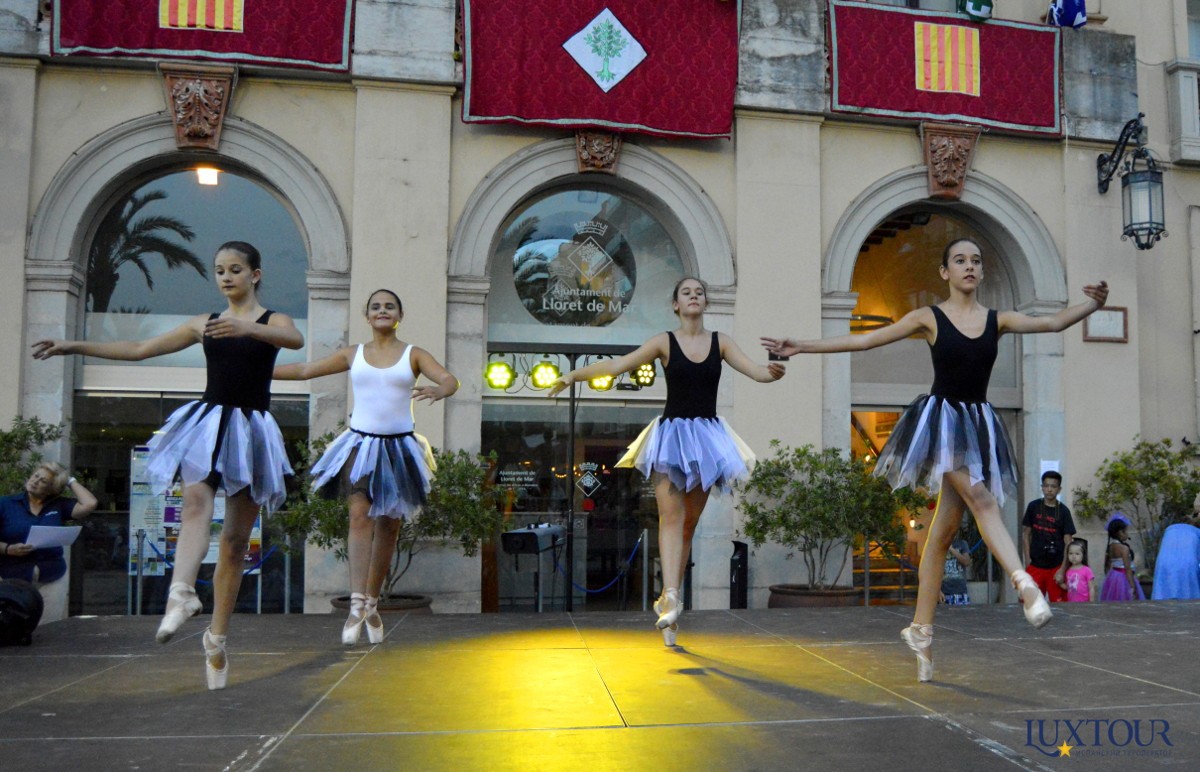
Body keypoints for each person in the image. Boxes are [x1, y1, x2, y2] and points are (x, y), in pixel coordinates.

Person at [763, 237, 1109, 683]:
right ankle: (1023, 584)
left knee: (942, 535)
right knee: (983, 500)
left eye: (976, 260)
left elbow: (1054, 322)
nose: (969, 266)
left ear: (981, 271)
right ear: (945, 272)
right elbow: (866, 340)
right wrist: (802, 346)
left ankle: (921, 630)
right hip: (943, 424)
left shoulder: (997, 320)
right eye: (960, 260)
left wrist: (1093, 305)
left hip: (978, 423)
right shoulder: (929, 317)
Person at [32, 241, 303, 689]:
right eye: (219, 270)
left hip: (251, 433)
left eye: (235, 269)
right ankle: (181, 593)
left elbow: (295, 340)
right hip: (208, 424)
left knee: (235, 543)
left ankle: (216, 638)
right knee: (195, 503)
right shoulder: (203, 323)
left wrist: (246, 329)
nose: (226, 277)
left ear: (255, 274)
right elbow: (140, 348)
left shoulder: (273, 320)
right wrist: (71, 345)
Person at [548, 277, 784, 646]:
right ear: (676, 304)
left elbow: (757, 372)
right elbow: (619, 366)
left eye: (699, 292)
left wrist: (774, 369)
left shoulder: (721, 342)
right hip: (671, 439)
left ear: (705, 303)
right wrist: (574, 375)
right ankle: (672, 596)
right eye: (686, 292)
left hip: (706, 441)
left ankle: (669, 599)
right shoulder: (664, 342)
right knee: (671, 517)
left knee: (689, 525)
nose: (694, 296)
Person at [273, 289, 458, 645]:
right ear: (367, 316)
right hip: (361, 445)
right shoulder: (353, 354)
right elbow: (306, 369)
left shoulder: (414, 354)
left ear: (399, 315)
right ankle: (357, 602)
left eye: (389, 306)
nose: (382, 310)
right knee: (359, 515)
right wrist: (260, 371)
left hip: (399, 448)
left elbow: (449, 379)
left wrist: (441, 390)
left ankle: (372, 601)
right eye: (376, 306)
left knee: (389, 526)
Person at [0, 463, 99, 584]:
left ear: (51, 489)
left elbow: (90, 503)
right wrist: (7, 549)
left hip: (51, 572)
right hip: (11, 572)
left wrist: (69, 480)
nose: (35, 481)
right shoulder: (5, 503)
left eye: (43, 481)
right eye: (36, 476)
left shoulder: (58, 505)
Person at [1021, 470, 1075, 602]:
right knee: (1030, 603)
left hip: (1056, 567)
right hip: (1035, 565)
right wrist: (1027, 560)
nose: (1049, 489)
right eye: (1046, 486)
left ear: (1059, 489)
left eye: (1053, 486)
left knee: (1059, 606)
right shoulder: (1033, 507)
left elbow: (1068, 542)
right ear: (1042, 487)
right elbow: (1026, 534)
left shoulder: (1064, 511)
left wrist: (1063, 568)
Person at [1151, 493, 1200, 600]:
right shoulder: (1196, 533)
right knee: (1188, 593)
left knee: (1164, 592)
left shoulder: (1170, 530)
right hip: (1188, 563)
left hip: (1164, 562)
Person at [1100, 513, 1145, 601]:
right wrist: (1132, 586)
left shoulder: (1110, 546)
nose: (1127, 533)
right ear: (1120, 532)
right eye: (1126, 531)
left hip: (1113, 577)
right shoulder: (1124, 548)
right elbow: (1127, 569)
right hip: (1124, 578)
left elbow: (1108, 564)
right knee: (1125, 598)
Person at [940, 529, 972, 606]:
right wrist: (938, 591)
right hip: (945, 590)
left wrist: (951, 549)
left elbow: (966, 561)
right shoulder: (939, 544)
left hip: (960, 589)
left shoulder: (962, 544)